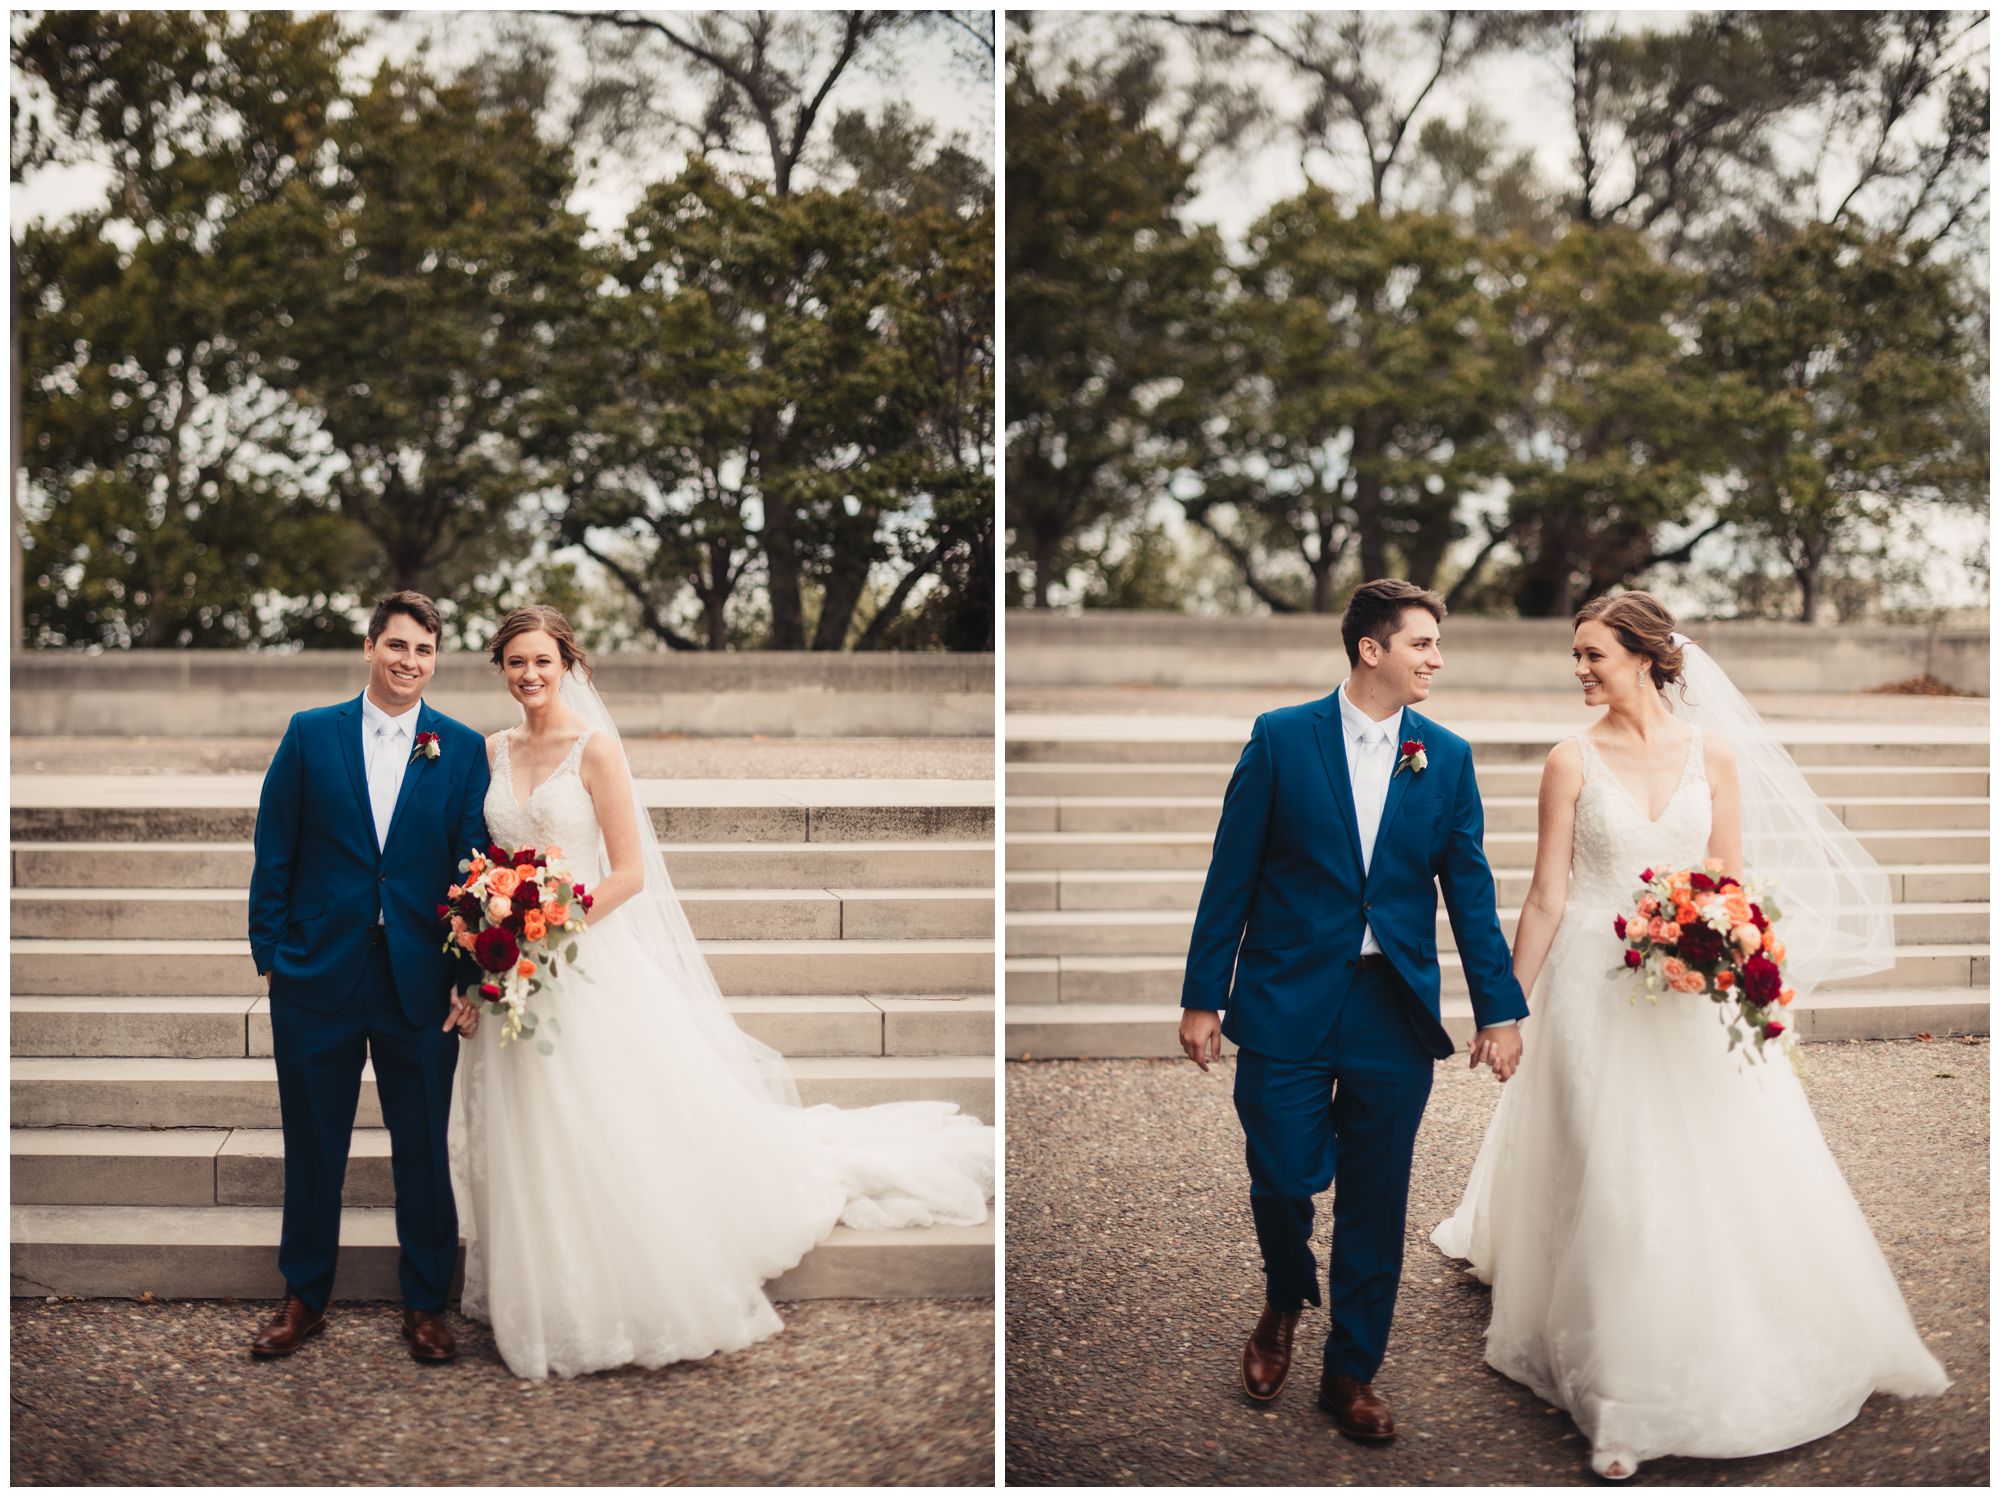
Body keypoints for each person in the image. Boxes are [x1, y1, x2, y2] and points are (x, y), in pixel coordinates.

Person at [1431, 591, 1949, 1481]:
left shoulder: (1716, 752)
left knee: (1706, 1158)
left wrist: (1726, 952)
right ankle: (1619, 1365)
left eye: (1594, 653)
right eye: (1577, 656)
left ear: (1643, 655)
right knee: (1605, 1158)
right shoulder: (1569, 759)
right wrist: (1506, 1006)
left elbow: (1729, 880)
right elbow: (1549, 895)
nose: (1582, 670)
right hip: (1591, 986)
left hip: (1686, 985)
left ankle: (1713, 1328)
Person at [449, 606, 994, 1379]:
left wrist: (549, 921)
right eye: (515, 663)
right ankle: (542, 1282)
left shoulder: (595, 751)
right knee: (530, 1127)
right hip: (515, 973)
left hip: (586, 961)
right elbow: (485, 857)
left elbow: (629, 873)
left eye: (542, 660)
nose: (529, 675)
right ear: (500, 670)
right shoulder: (491, 750)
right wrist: (491, 925)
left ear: (567, 663)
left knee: (600, 1124)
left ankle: (624, 1281)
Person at [1177, 578, 1527, 1441]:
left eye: (1437, 645)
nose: (1436, 659)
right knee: (1285, 1172)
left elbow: (1470, 895)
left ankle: (1352, 1370)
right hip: (1285, 995)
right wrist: (1201, 994)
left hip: (1391, 1008)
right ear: (1372, 649)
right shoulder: (1281, 739)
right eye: (1422, 644)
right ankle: (1284, 1294)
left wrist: (1499, 1009)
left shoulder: (1445, 755)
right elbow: (1232, 874)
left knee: (1377, 1195)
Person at [246, 590, 489, 1364]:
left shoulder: (460, 746)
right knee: (312, 1143)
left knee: (422, 1146)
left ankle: (425, 1304)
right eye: (396, 646)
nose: (408, 661)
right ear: (369, 645)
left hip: (418, 981)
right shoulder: (310, 734)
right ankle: (304, 1297)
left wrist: (467, 971)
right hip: (318, 975)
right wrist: (273, 954)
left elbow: (470, 863)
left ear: (435, 657)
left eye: (423, 650)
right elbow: (275, 845)